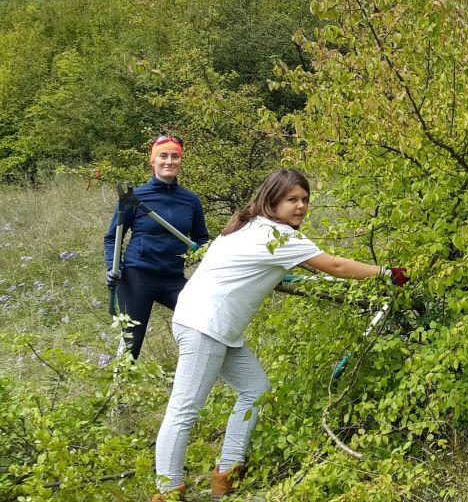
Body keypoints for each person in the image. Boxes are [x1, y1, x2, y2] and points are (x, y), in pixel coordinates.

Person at [151, 169, 409, 501]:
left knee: (255, 390)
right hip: (205, 325)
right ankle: (168, 491)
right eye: (292, 200)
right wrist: (390, 274)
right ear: (272, 200)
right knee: (184, 409)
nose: (300, 206)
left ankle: (226, 474)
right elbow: (337, 267)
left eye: (304, 199)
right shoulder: (278, 237)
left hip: (210, 323)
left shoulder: (249, 224)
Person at [104, 135, 209, 360]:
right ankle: (117, 390)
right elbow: (113, 237)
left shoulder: (190, 200)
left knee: (205, 320)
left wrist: (209, 263)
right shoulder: (135, 197)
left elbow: (201, 240)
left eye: (175, 156)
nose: (169, 161)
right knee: (131, 346)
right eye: (163, 156)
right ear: (153, 161)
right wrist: (112, 268)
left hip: (172, 278)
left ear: (180, 161)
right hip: (136, 276)